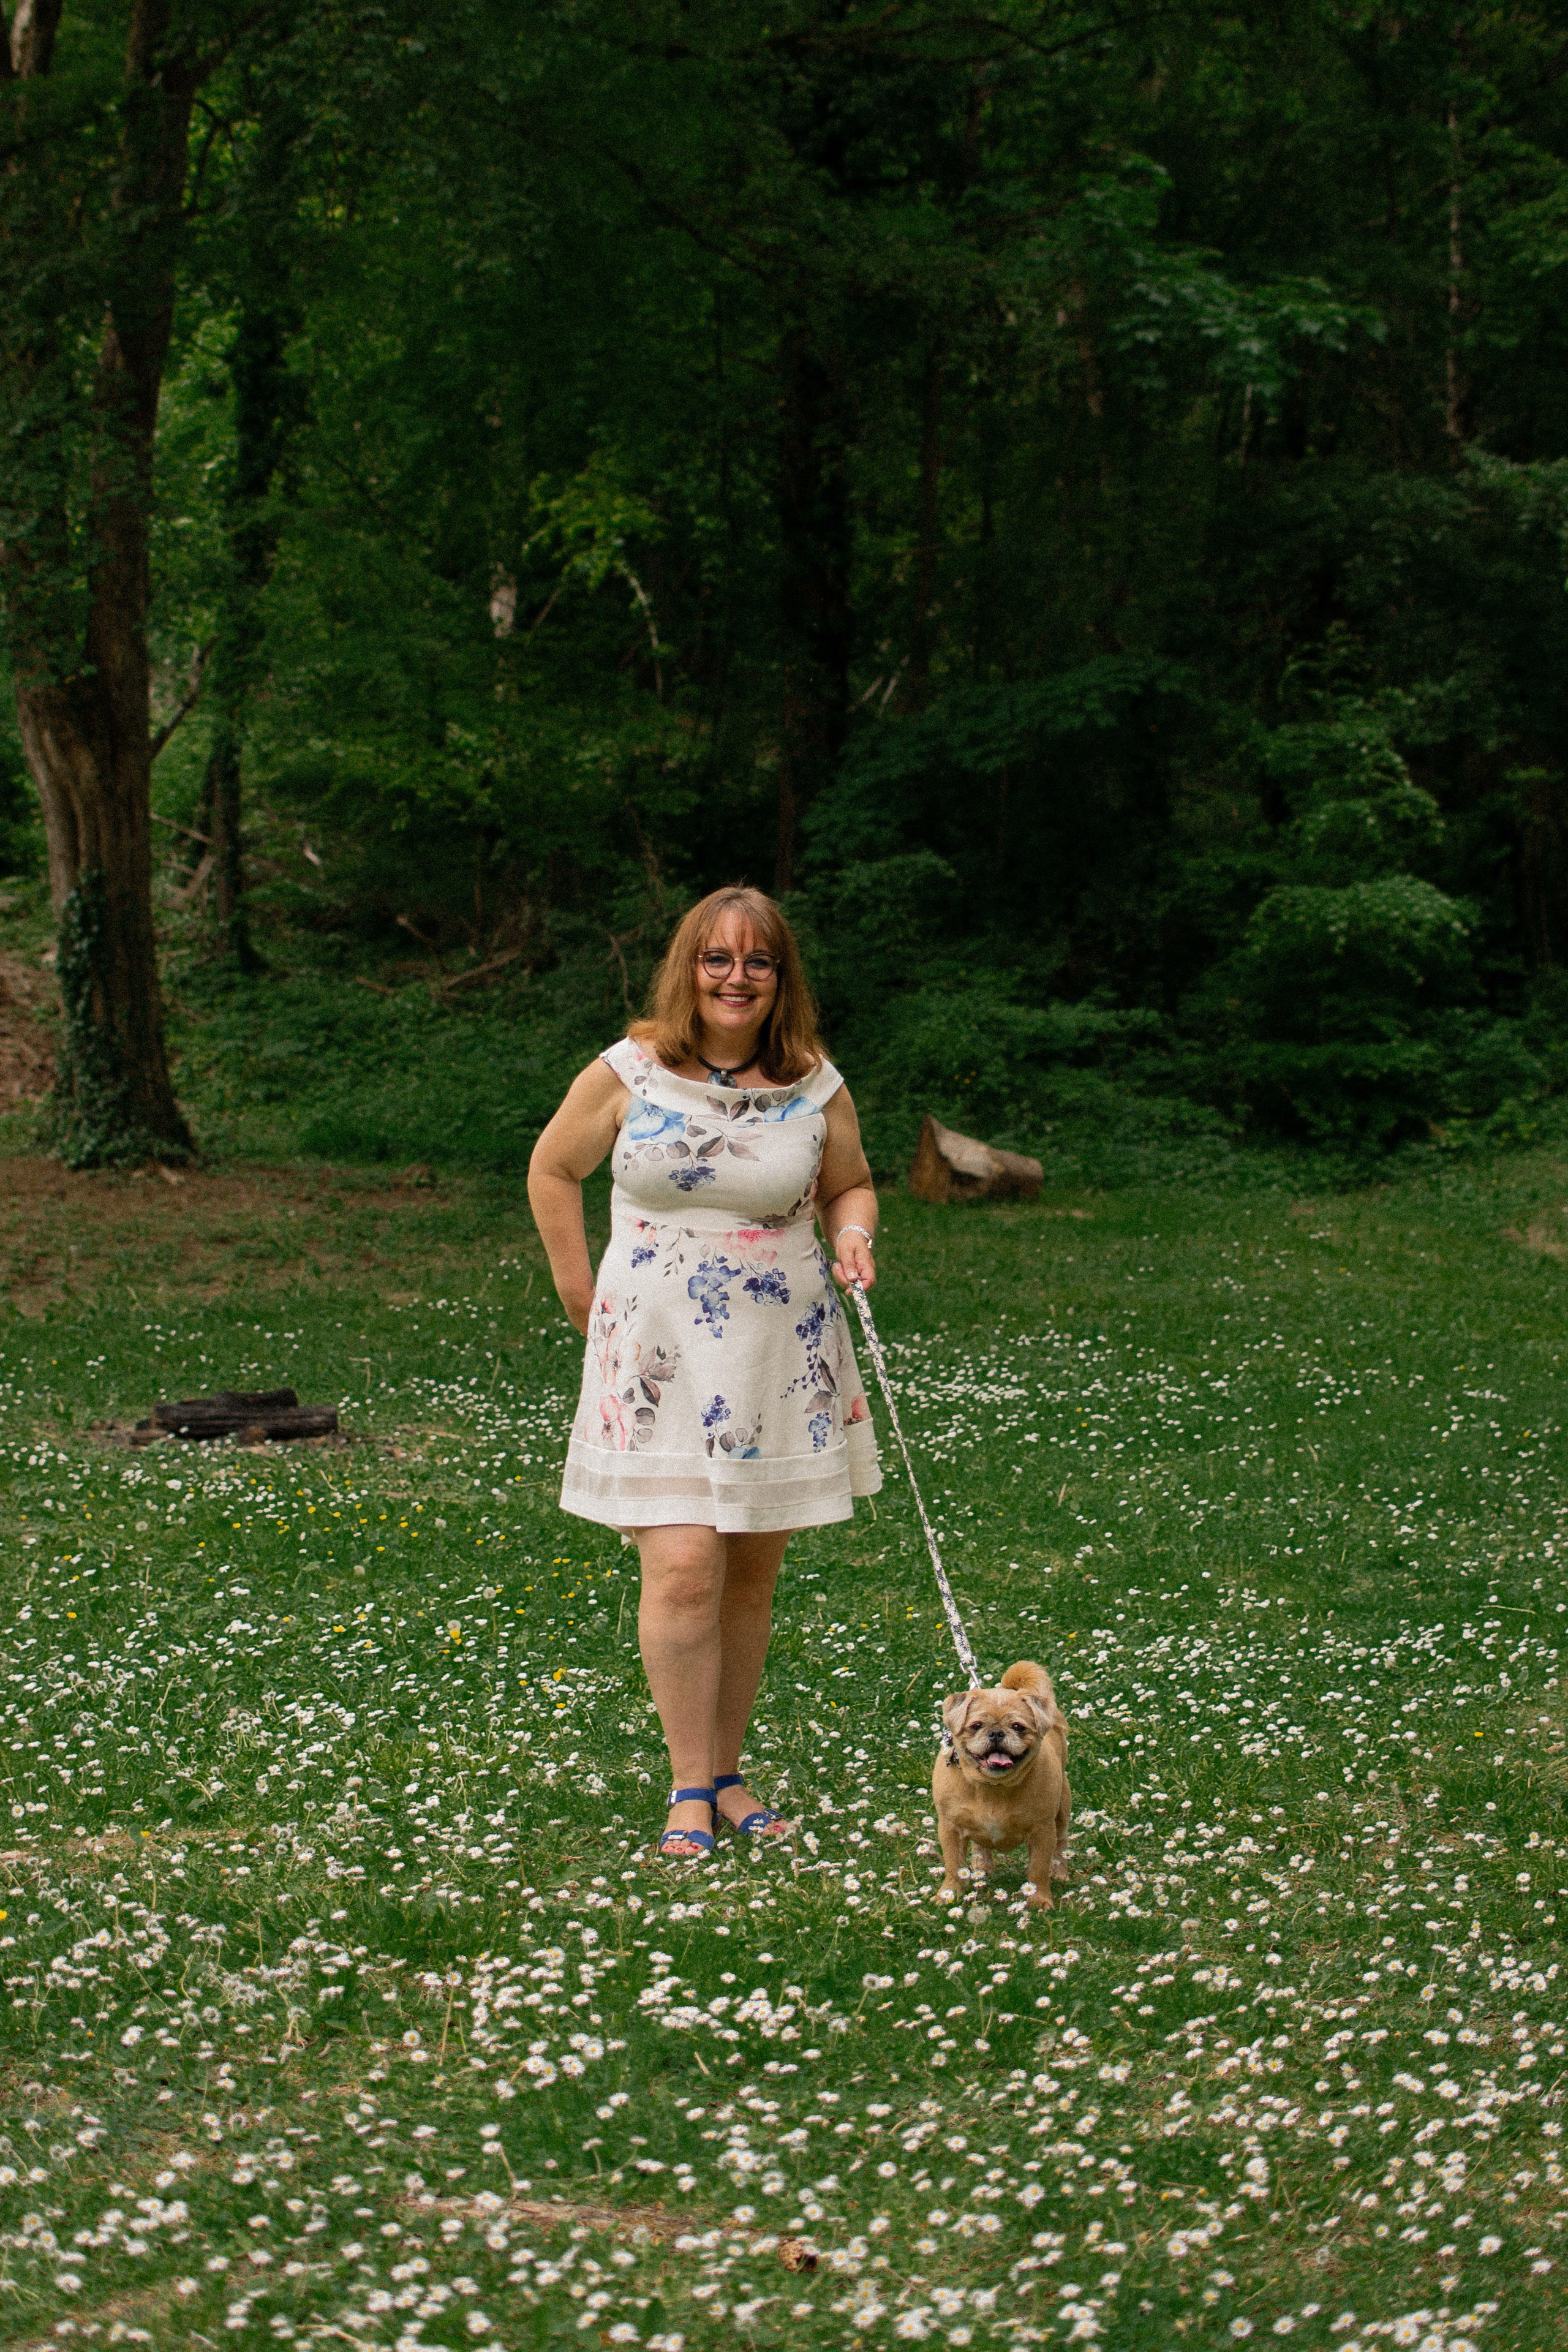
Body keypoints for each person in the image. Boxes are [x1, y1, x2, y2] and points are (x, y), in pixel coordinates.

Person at [528, 885, 881, 1858]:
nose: (736, 978)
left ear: (781, 978)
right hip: (656, 1357)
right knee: (684, 1567)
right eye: (717, 959)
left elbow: (849, 1182)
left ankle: (728, 1775)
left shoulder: (813, 1084)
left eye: (757, 961)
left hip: (777, 1354)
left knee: (747, 1581)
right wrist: (579, 1295)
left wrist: (853, 1236)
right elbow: (552, 1170)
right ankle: (688, 1785)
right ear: (690, 968)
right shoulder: (631, 1071)